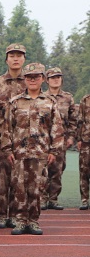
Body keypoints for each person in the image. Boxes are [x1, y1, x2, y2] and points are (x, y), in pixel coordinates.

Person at [3, 63, 64, 235]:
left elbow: (56, 129)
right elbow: (7, 128)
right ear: (24, 79)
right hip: (19, 154)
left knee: (37, 188)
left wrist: (54, 151)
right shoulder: (15, 102)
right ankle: (21, 220)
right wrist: (7, 150)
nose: (32, 80)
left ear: (43, 79)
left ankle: (33, 221)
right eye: (29, 77)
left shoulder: (50, 103)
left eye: (36, 77)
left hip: (41, 153)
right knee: (19, 188)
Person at [0, 44, 27, 229]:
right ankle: (2, 214)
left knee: (21, 179)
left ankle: (18, 215)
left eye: (19, 55)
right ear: (6, 59)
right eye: (12, 55)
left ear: (24, 59)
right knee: (1, 179)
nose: (15, 59)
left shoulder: (29, 82)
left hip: (23, 138)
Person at [41, 67, 75, 210]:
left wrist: (71, 136)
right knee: (42, 169)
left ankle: (53, 199)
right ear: (47, 80)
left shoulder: (68, 98)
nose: (56, 80)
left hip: (61, 139)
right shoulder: (42, 97)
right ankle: (42, 199)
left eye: (58, 77)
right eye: (53, 78)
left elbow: (73, 119)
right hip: (43, 139)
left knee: (58, 169)